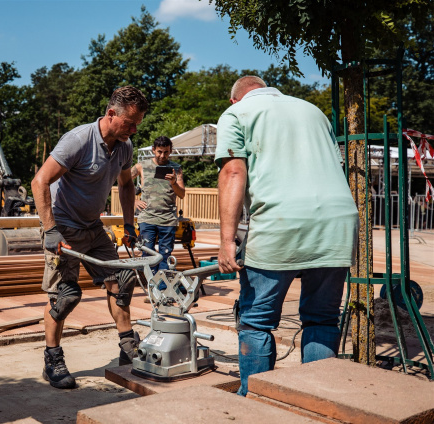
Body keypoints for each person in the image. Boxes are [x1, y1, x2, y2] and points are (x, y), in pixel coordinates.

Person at [215, 76, 358, 396]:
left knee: (256, 321)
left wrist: (227, 241)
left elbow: (233, 171)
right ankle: (317, 400)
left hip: (281, 220)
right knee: (322, 319)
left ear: (234, 100)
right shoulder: (312, 110)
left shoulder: (237, 114)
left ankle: (256, 401)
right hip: (337, 222)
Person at [31, 86, 149, 389]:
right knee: (65, 296)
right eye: (130, 123)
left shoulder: (124, 146)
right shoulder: (78, 140)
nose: (134, 129)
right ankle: (52, 359)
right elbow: (39, 181)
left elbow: (125, 185)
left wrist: (128, 226)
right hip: (64, 227)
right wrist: (50, 230)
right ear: (111, 114)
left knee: (121, 283)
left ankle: (128, 349)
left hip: (93, 227)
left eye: (137, 124)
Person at [131, 136, 185, 276]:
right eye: (159, 151)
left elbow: (182, 194)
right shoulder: (141, 166)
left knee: (165, 256)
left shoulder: (176, 169)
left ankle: (161, 289)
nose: (162, 155)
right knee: (147, 255)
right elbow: (122, 182)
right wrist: (133, 201)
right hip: (147, 218)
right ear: (153, 150)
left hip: (167, 220)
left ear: (170, 151)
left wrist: (174, 183)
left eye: (166, 152)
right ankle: (152, 290)